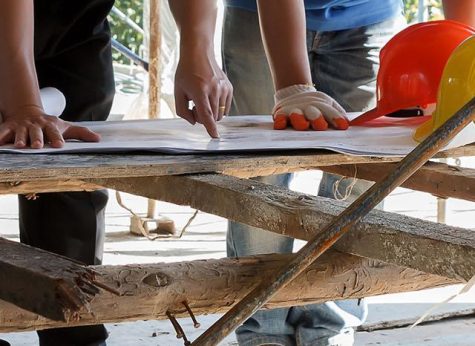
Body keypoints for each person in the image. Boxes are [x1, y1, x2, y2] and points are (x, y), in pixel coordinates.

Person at [171, 1, 475, 345]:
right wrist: (293, 86)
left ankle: (330, 328)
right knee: (260, 177)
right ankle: (263, 332)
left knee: (360, 175)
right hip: (257, 19)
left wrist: (464, 56)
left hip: (367, 19)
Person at [0, 1, 115, 345]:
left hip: (78, 28)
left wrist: (198, 50)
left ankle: (77, 335)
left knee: (71, 182)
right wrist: (26, 106)